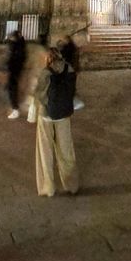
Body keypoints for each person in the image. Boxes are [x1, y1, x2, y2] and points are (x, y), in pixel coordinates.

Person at [34, 47, 79, 197]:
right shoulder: (70, 69)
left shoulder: (46, 72)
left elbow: (39, 94)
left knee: (45, 152)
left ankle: (49, 188)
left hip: (46, 115)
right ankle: (71, 185)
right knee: (66, 150)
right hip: (64, 114)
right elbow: (73, 90)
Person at [5, 30, 27, 118]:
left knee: (13, 89)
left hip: (14, 70)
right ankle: (15, 107)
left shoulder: (17, 47)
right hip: (15, 70)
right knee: (12, 87)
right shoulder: (20, 45)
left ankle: (15, 109)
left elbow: (14, 59)